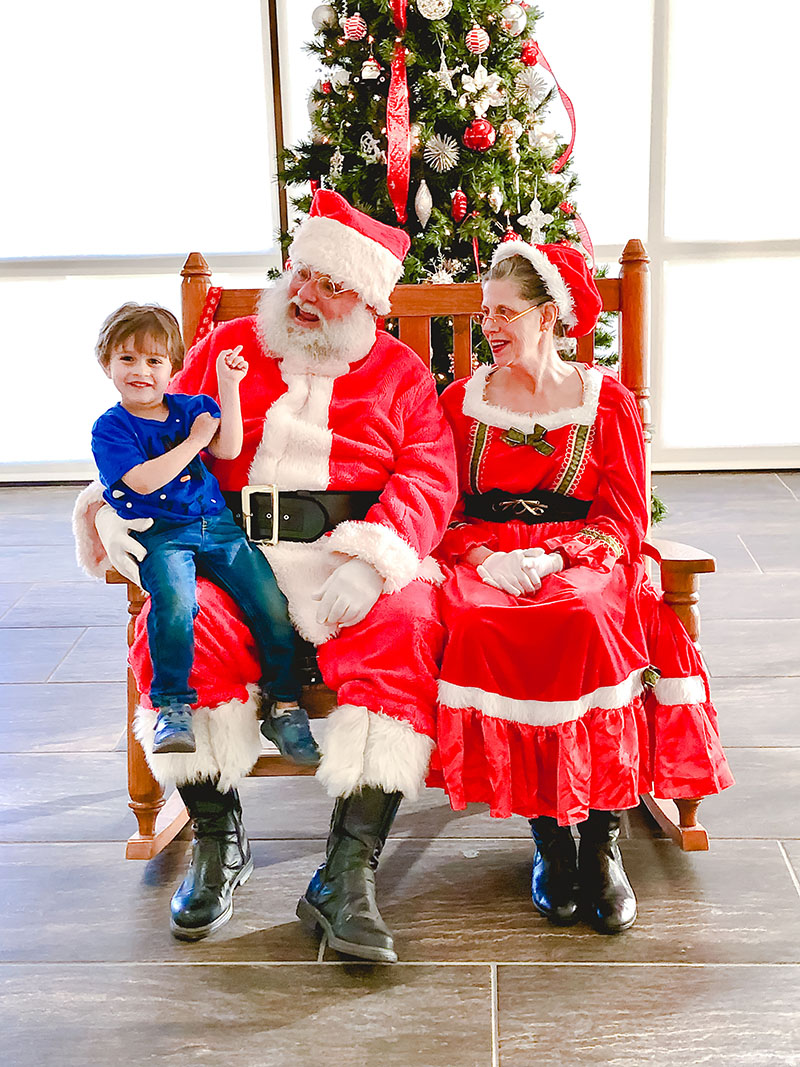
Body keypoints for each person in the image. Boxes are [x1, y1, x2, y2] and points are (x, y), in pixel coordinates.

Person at [73, 191, 457, 953]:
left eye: (333, 285)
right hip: (230, 549)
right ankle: (219, 840)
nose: (308, 295)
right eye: (304, 274)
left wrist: (379, 558)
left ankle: (345, 873)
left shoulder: (399, 373)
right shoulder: (226, 345)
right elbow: (144, 432)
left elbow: (429, 474)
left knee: (407, 627)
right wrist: (108, 507)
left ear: (367, 300)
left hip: (347, 559)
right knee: (174, 629)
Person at [428, 240, 734, 934]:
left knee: (588, 614)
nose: (490, 326)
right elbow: (439, 502)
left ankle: (602, 840)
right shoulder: (460, 402)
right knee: (481, 620)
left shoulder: (606, 402)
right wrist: (480, 555)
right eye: (485, 314)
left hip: (581, 553)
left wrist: (561, 556)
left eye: (505, 312)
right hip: (489, 555)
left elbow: (626, 513)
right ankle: (549, 841)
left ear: (546, 316)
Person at [91, 303, 318, 764]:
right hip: (161, 532)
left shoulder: (192, 407)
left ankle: (285, 701)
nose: (141, 371)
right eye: (128, 359)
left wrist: (228, 387)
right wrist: (193, 441)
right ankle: (173, 704)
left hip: (217, 527)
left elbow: (229, 446)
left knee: (271, 602)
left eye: (155, 360)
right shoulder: (111, 428)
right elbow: (142, 481)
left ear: (173, 367)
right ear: (107, 364)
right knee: (174, 601)